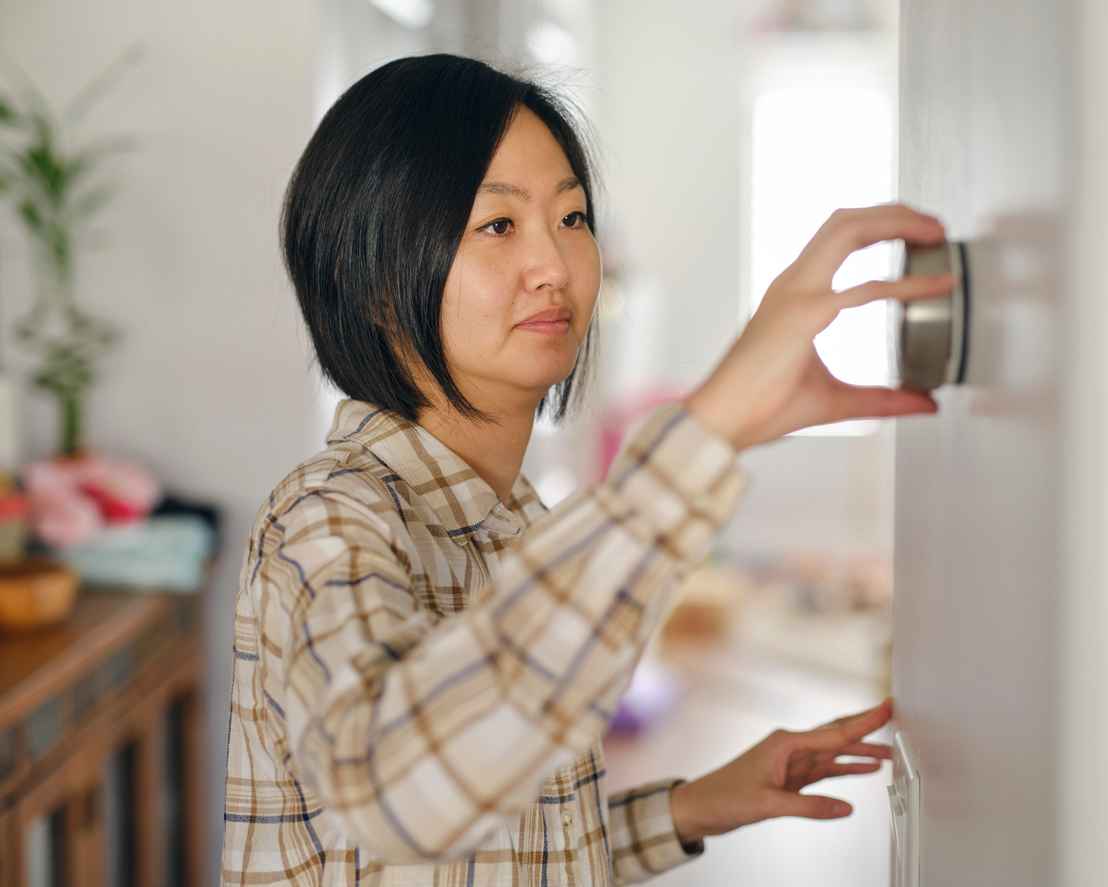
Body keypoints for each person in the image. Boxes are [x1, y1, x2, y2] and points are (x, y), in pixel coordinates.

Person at [221, 52, 953, 886]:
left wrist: (687, 807)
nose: (555, 265)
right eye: (497, 225)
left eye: (571, 219)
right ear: (377, 272)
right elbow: (397, 797)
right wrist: (706, 424)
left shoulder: (511, 518)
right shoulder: (326, 517)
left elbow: (493, 841)